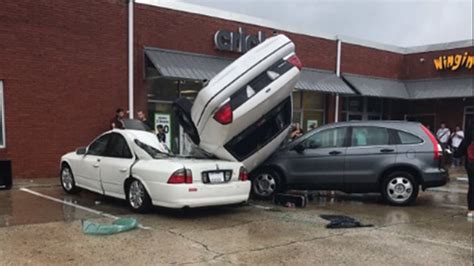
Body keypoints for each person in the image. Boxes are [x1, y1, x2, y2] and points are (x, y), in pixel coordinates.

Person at [453, 127, 474, 218]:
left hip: (471, 166)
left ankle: (471, 210)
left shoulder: (467, 140)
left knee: (472, 187)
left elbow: (458, 153)